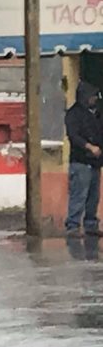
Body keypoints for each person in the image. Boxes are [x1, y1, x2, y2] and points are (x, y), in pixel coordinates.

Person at [64, 81, 103, 237]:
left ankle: (91, 224)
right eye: (92, 96)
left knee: (93, 196)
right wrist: (89, 147)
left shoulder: (96, 113)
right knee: (79, 194)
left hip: (95, 162)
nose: (95, 99)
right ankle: (73, 226)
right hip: (80, 161)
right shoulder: (74, 114)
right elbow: (73, 136)